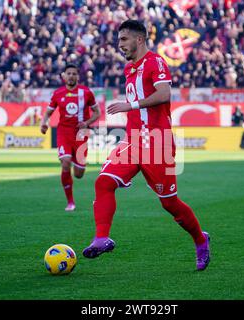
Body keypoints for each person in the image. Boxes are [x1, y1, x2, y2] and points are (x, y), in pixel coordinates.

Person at [82, 20, 211, 271]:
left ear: (139, 39)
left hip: (158, 142)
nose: (120, 45)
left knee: (169, 203)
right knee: (104, 182)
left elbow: (164, 94)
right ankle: (101, 238)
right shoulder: (129, 69)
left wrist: (129, 105)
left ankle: (200, 239)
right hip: (132, 141)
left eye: (123, 40)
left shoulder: (156, 62)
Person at [40, 64, 101, 211]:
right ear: (64, 76)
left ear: (78, 76)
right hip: (64, 132)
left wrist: (86, 123)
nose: (72, 76)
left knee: (79, 174)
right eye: (69, 73)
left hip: (81, 135)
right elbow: (48, 113)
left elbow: (97, 113)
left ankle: (76, 160)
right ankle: (70, 202)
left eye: (74, 73)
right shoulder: (58, 93)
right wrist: (44, 123)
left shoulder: (86, 92)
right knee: (65, 162)